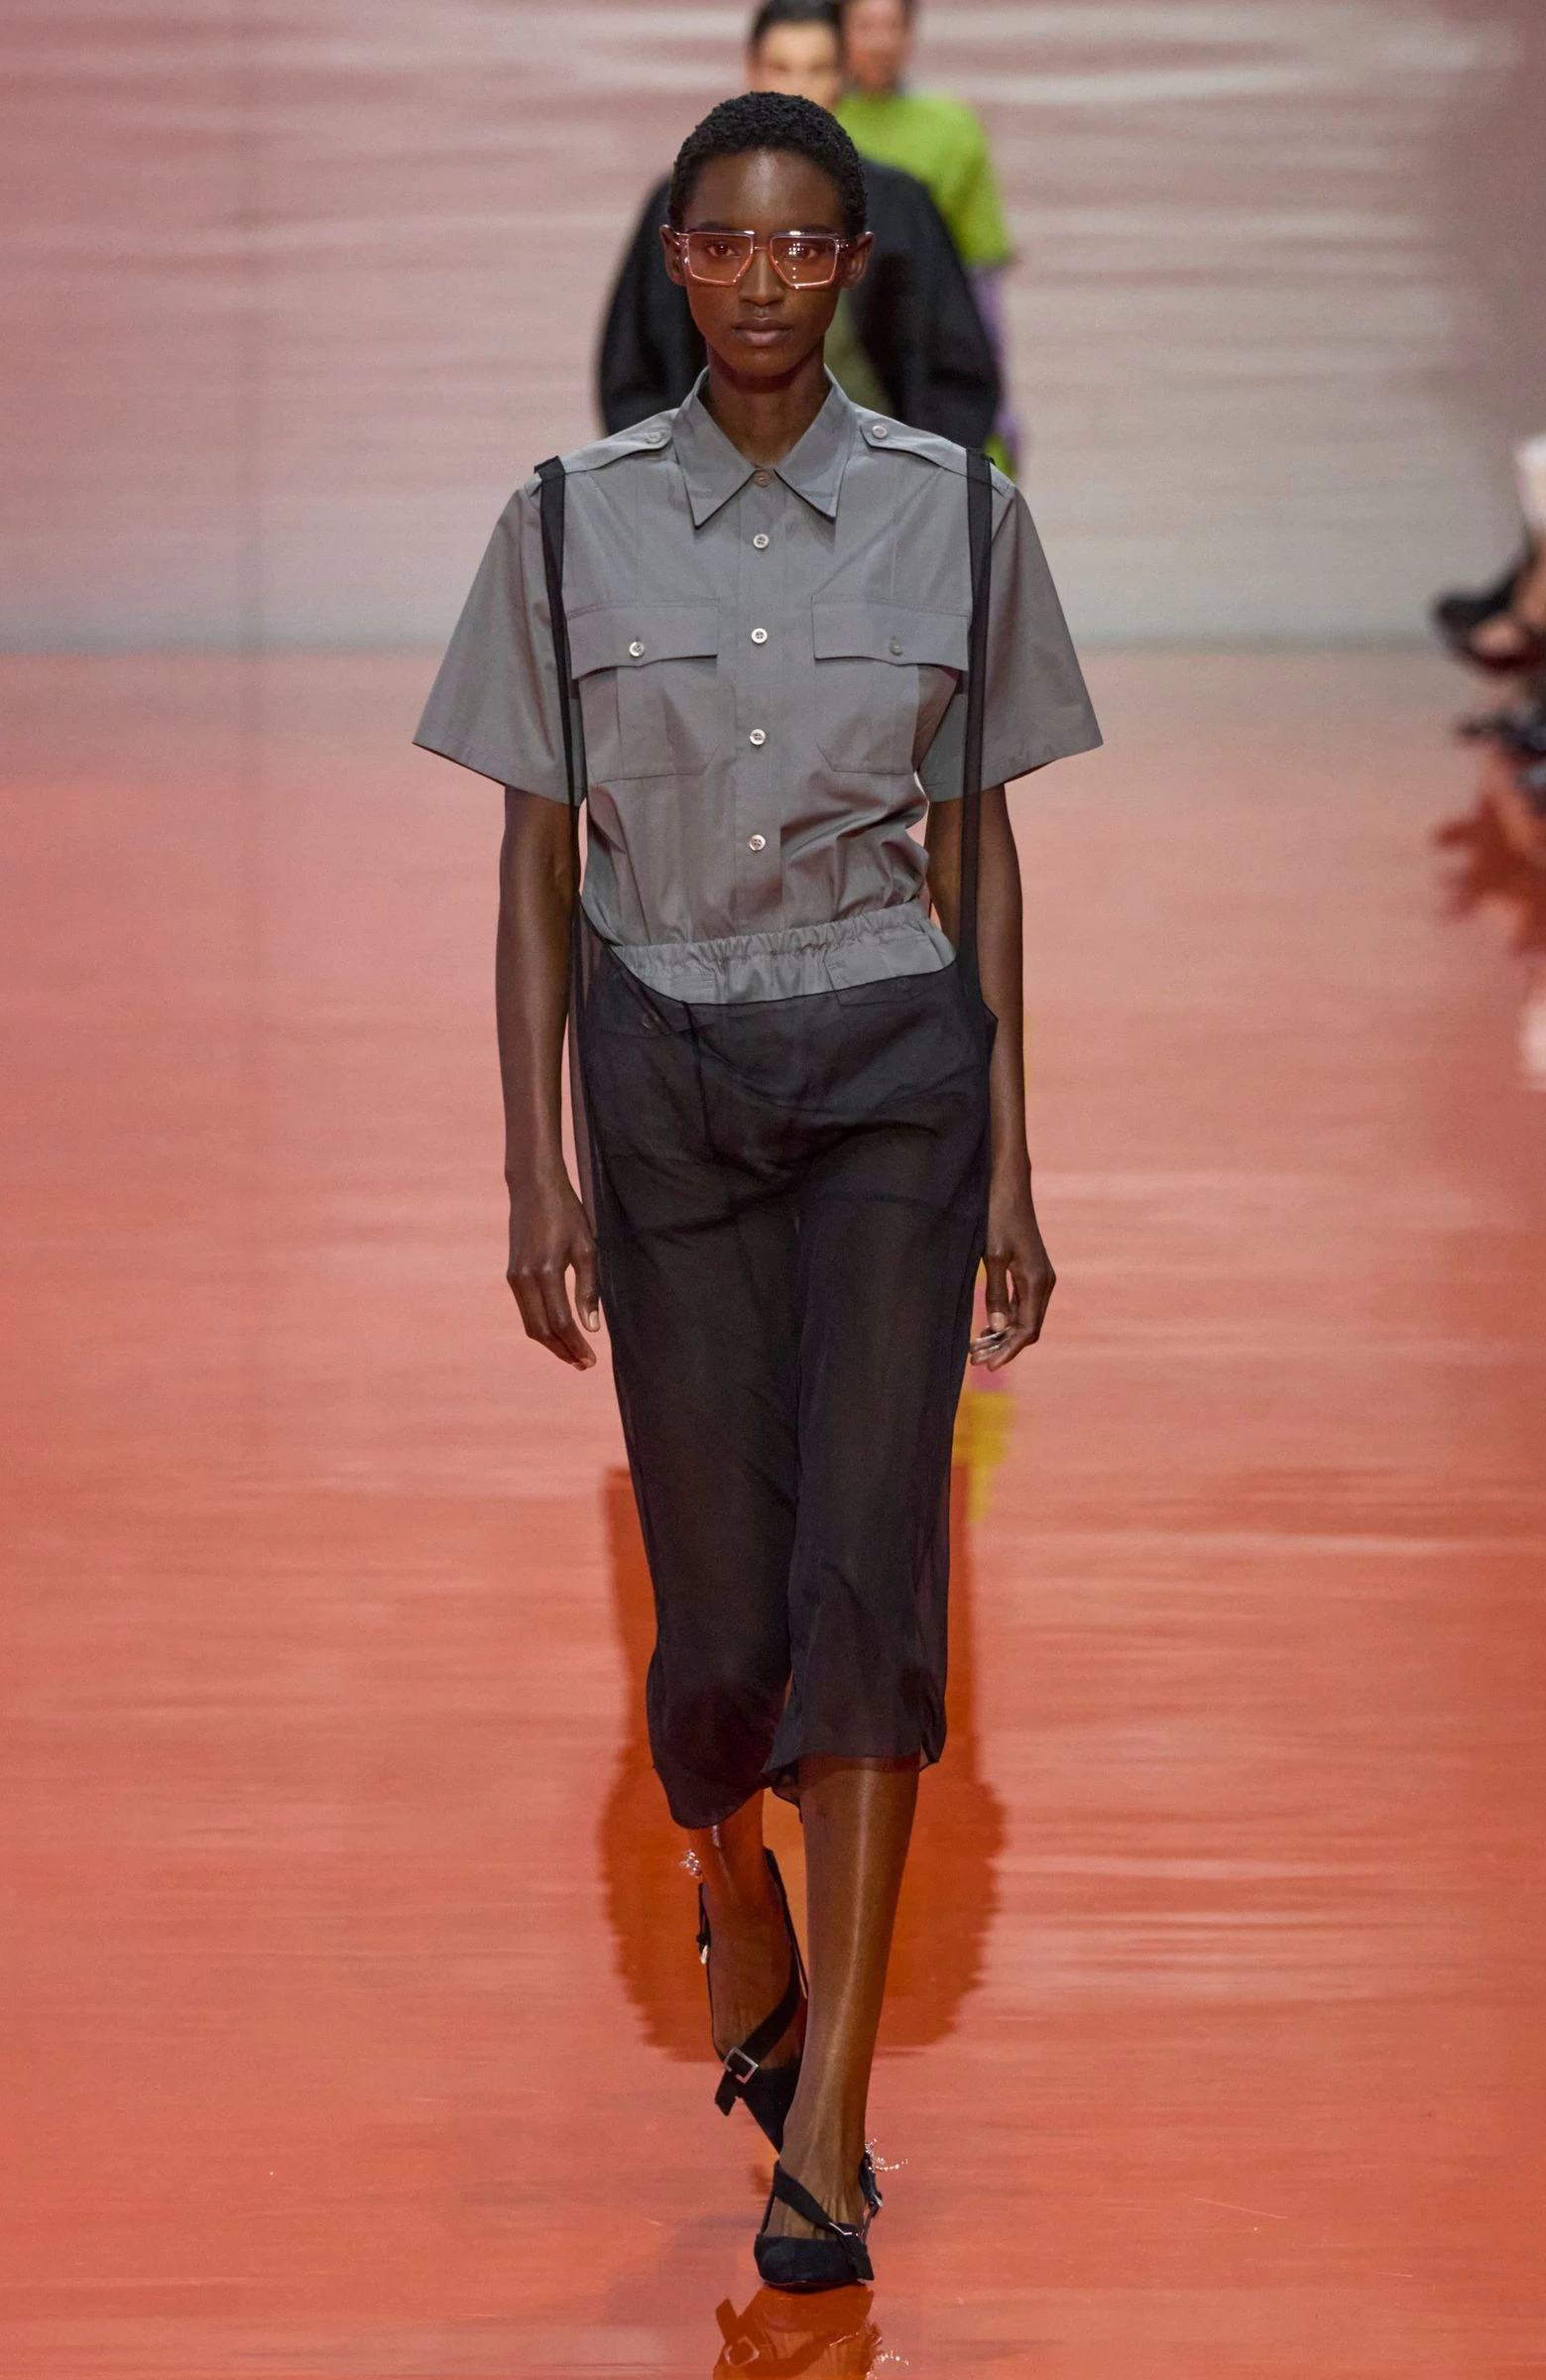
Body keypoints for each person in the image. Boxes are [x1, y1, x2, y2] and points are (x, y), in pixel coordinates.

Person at [416, 92, 1098, 2289]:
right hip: (668, 1078)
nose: (766, 281)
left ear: (855, 272)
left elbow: (980, 848)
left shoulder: (961, 518)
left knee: (868, 1585)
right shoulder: (560, 526)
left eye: (807, 248)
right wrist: (532, 1164)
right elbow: (534, 862)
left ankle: (829, 2128)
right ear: (678, 263)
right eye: (728, 244)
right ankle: (725, 1865)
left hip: (893, 1067)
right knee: (719, 1638)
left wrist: (1012, 1155)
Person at [598, 0, 999, 452]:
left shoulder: (901, 205)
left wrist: (915, 474)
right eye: (781, 68)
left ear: (842, 77)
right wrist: (669, 474)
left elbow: (957, 371)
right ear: (751, 71)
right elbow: (632, 370)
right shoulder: (686, 202)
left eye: (817, 69)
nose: (798, 89)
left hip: (874, 476)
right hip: (706, 476)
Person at [836, 0, 1017, 462]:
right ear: (839, 31)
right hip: (838, 347)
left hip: (927, 339)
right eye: (865, 25)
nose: (880, 42)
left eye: (892, 25)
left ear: (910, 33)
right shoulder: (817, 124)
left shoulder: (952, 127)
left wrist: (997, 405)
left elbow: (979, 279)